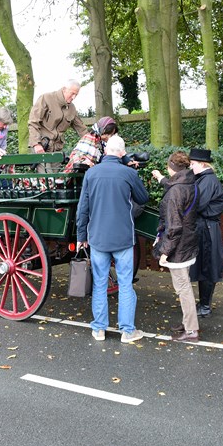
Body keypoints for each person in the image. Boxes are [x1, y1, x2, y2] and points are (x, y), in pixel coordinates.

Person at [77, 135, 149, 343]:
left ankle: (99, 328)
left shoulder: (91, 173)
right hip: (123, 238)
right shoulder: (128, 173)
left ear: (106, 151)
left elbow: (83, 208)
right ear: (121, 152)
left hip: (98, 238)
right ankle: (127, 331)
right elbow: (143, 198)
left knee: (99, 284)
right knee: (125, 284)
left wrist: (82, 236)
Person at [162, 148, 223, 318]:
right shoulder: (204, 179)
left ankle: (205, 305)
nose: (191, 167)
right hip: (205, 227)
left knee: (208, 266)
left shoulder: (208, 181)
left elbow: (197, 205)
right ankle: (203, 303)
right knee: (205, 265)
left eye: (194, 164)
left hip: (207, 228)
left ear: (203, 164)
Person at [154, 151, 200, 343]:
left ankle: (191, 331)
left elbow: (174, 226)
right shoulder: (191, 183)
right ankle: (187, 322)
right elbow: (175, 187)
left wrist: (165, 251)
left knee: (183, 288)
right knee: (185, 285)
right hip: (188, 242)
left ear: (171, 168)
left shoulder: (175, 192)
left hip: (178, 247)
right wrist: (161, 179)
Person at [28, 79, 87, 172]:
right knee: (48, 180)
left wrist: (93, 141)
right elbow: (33, 122)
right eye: (72, 93)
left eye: (76, 95)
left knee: (55, 182)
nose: (74, 97)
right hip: (42, 147)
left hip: (57, 150)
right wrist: (36, 144)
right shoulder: (46, 98)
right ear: (64, 89)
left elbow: (81, 129)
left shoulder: (72, 108)